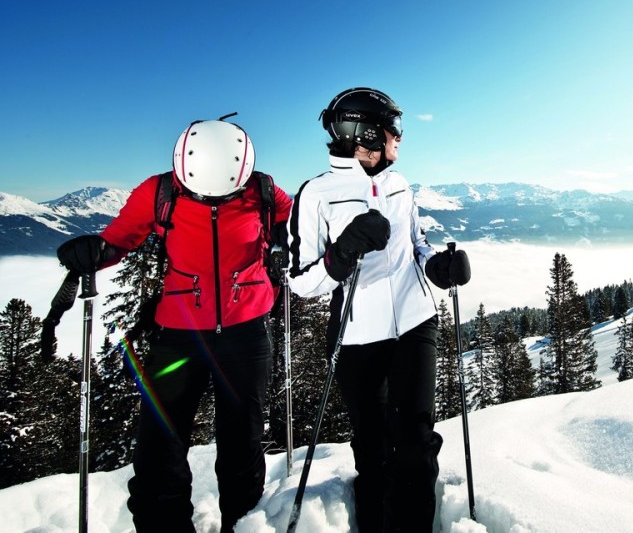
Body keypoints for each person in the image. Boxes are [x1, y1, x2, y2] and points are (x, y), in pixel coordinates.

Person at [54, 117, 292, 532]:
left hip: (246, 332)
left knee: (242, 443)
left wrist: (298, 243)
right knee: (159, 444)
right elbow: (119, 239)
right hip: (179, 336)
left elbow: (299, 230)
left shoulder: (265, 191)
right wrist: (93, 251)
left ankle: (243, 524)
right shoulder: (159, 192)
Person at [287, 87, 470, 532]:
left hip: (415, 321)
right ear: (364, 133)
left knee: (416, 443)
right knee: (373, 447)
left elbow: (417, 243)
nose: (400, 137)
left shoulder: (399, 184)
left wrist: (437, 266)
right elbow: (301, 281)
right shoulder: (317, 194)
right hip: (357, 338)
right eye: (394, 128)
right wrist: (341, 253)